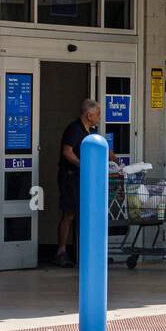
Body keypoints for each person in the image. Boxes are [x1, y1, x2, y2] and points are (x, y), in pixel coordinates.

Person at [56, 98, 111, 268]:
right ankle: (61, 251)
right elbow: (67, 152)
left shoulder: (89, 133)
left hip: (83, 178)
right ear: (89, 115)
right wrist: (84, 164)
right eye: (98, 114)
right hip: (70, 177)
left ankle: (88, 252)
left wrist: (112, 156)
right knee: (69, 214)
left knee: (86, 214)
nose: (100, 118)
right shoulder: (74, 129)